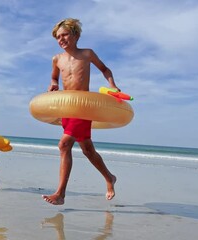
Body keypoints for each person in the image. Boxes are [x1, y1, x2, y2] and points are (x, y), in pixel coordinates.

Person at [42, 18, 118, 205]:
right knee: (87, 150)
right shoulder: (57, 59)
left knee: (64, 145)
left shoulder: (87, 54)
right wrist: (53, 84)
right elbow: (54, 78)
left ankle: (60, 194)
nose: (61, 39)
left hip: (83, 107)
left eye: (65, 34)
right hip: (67, 107)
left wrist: (112, 86)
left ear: (75, 35)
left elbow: (105, 69)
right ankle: (109, 177)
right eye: (58, 37)